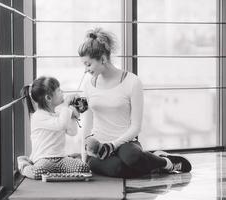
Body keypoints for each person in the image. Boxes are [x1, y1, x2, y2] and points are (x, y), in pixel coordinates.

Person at [78, 27, 192, 178]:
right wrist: (83, 155)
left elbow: (136, 127)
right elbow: (87, 125)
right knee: (117, 168)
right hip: (99, 148)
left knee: (131, 158)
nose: (86, 70)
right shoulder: (88, 85)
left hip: (126, 143)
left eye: (88, 64)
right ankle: (152, 162)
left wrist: (113, 145)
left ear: (103, 59)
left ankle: (166, 163)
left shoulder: (132, 82)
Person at [17, 76, 90, 180]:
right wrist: (66, 105)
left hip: (61, 158)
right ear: (48, 98)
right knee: (38, 173)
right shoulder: (38, 117)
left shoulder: (60, 113)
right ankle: (24, 164)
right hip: (43, 159)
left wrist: (74, 116)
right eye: (59, 91)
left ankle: (72, 158)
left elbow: (72, 132)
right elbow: (61, 125)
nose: (63, 92)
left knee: (83, 168)